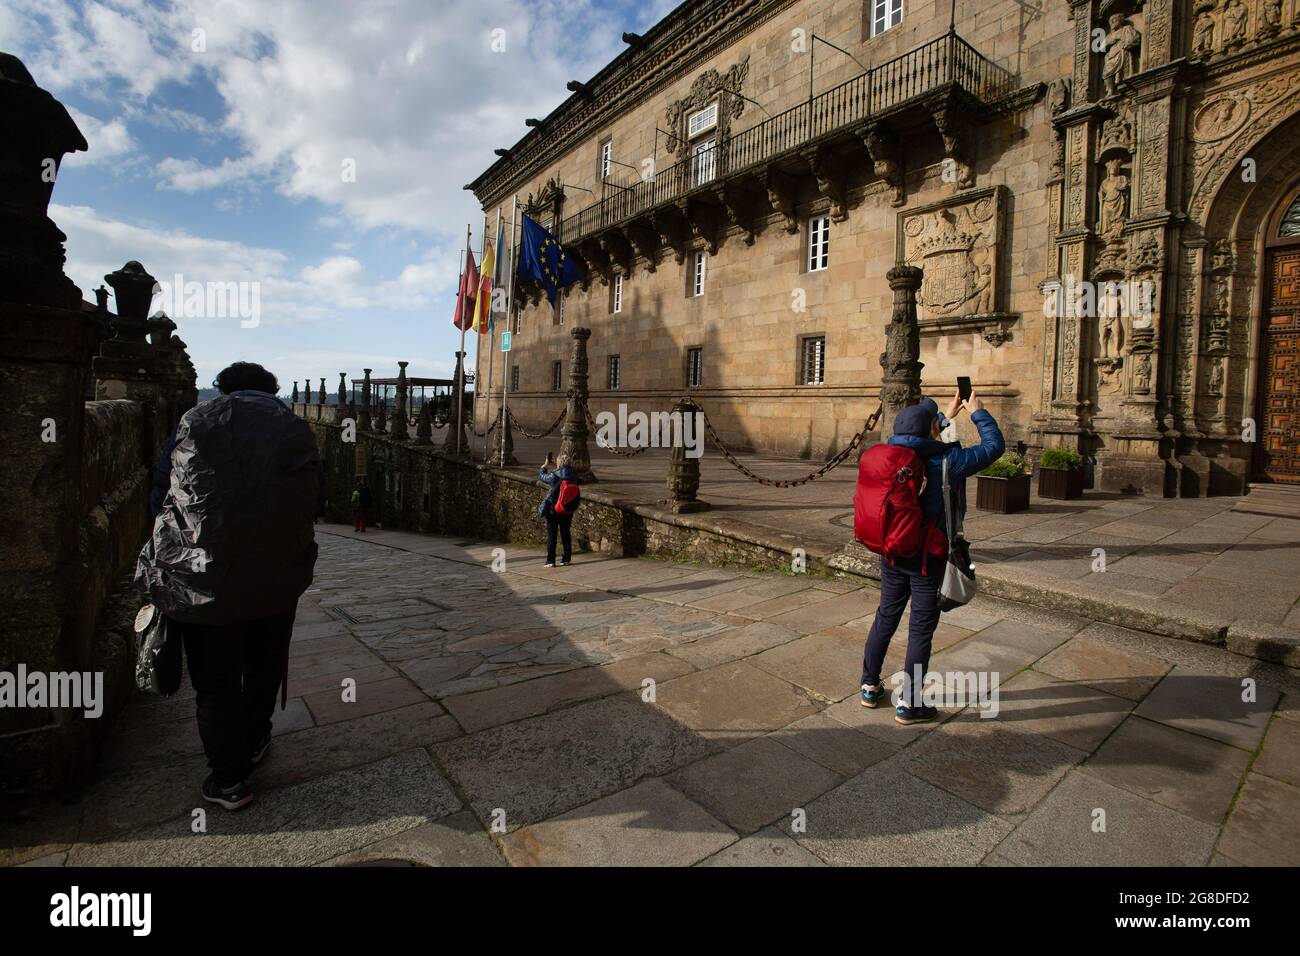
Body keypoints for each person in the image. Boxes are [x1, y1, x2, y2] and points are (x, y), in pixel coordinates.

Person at [137, 362, 321, 811]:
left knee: (215, 681)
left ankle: (229, 779)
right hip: (276, 577)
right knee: (263, 666)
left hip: (203, 578)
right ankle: (255, 739)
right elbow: (315, 498)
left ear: (221, 390)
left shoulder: (195, 422)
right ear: (272, 390)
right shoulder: (295, 428)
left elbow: (161, 495)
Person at [859, 392, 1004, 724]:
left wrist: (943, 416)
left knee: (886, 617)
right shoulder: (947, 463)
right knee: (920, 631)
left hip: (892, 554)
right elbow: (994, 448)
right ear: (929, 432)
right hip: (928, 561)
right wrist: (978, 413)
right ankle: (909, 704)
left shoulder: (891, 457)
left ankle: (869, 685)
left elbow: (917, 438)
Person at [537, 451, 578, 568]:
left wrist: (545, 465)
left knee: (552, 535)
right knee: (566, 533)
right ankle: (566, 558)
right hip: (567, 509)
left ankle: (550, 560)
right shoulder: (574, 475)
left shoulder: (555, 475)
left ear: (559, 462)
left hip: (553, 509)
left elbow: (542, 476)